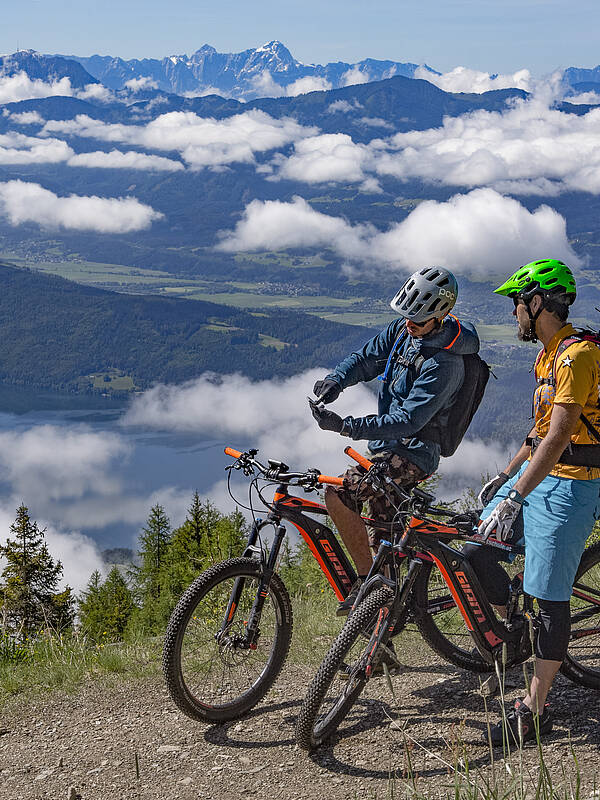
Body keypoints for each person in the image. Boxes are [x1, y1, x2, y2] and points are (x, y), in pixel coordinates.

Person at [473, 258, 600, 746]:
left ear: (539, 302)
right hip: (536, 477)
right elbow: (539, 431)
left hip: (572, 485)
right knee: (475, 547)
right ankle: (515, 628)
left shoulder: (577, 357)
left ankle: (533, 708)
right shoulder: (547, 356)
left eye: (517, 303)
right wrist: (504, 479)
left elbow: (561, 435)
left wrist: (517, 494)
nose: (514, 313)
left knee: (550, 602)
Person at [310, 266, 480, 615]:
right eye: (405, 316)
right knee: (383, 540)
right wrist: (337, 380)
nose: (408, 324)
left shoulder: (445, 363)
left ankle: (365, 584)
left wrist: (346, 426)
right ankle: (384, 628)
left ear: (440, 315)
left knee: (340, 494)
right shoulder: (405, 331)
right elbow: (367, 358)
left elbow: (408, 420)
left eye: (417, 320)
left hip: (414, 452)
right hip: (387, 449)